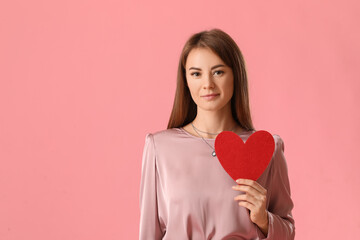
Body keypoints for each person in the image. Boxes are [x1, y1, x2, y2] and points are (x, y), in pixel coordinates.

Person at [139, 28, 295, 240]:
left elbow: (288, 232)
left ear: (235, 75)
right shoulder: (160, 148)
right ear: (186, 80)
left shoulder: (267, 148)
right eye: (196, 73)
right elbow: (149, 233)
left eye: (218, 72)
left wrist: (265, 220)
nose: (208, 84)